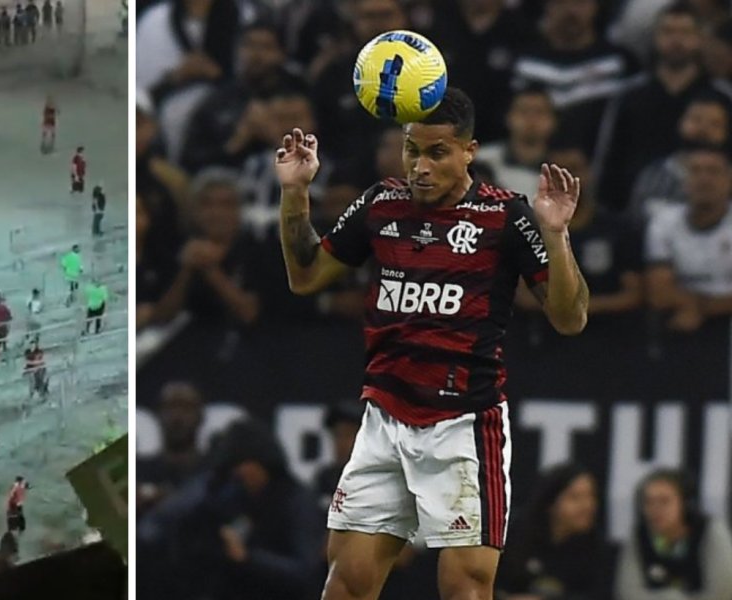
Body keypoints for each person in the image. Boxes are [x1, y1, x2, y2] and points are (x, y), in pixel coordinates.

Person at [275, 88, 589, 599]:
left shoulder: (506, 215)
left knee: (465, 587)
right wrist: (294, 192)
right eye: (411, 150)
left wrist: (556, 235)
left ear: (469, 151)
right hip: (385, 418)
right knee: (346, 584)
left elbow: (570, 318)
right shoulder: (381, 203)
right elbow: (306, 277)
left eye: (437, 152)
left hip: (463, 424)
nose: (420, 167)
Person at [496, 464, 613, 598]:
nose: (587, 506)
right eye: (575, 497)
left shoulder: (598, 551)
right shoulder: (517, 539)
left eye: (591, 496)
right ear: (550, 502)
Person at [615, 469, 732, 599]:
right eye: (648, 502)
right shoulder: (640, 536)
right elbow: (628, 592)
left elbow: (724, 592)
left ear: (684, 504)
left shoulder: (711, 532)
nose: (655, 509)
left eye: (664, 501)